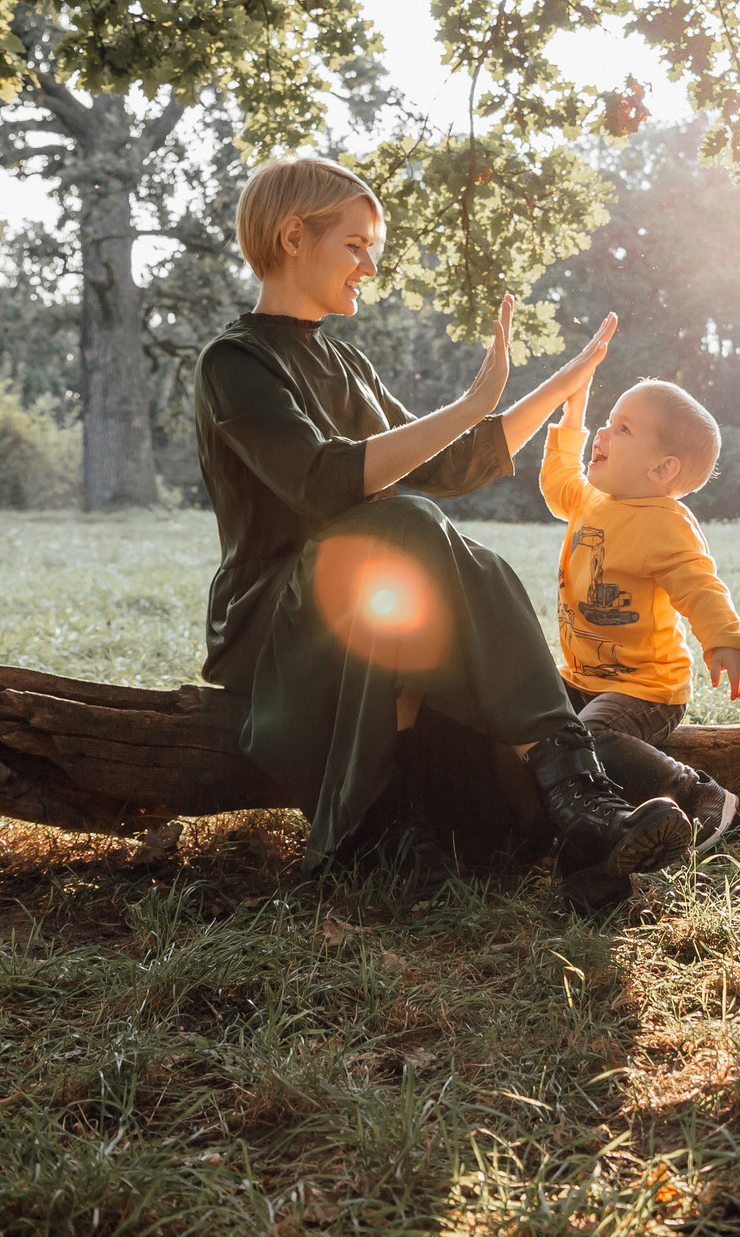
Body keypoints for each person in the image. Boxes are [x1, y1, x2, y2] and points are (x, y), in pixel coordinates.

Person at [194, 155, 692, 907]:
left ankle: (581, 807)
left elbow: (454, 460)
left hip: (367, 611)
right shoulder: (235, 362)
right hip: (274, 627)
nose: (368, 266)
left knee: (464, 554)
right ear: (294, 236)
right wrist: (462, 406)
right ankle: (397, 827)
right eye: (355, 245)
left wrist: (561, 385)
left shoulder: (346, 360)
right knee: (404, 520)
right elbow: (322, 479)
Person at [540, 375, 740, 853]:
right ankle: (579, 812)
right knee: (530, 710)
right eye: (607, 422)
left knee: (592, 736)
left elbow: (700, 585)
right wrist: (572, 415)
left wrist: (724, 639)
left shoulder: (666, 524)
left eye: (623, 429)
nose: (603, 433)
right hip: (583, 676)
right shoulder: (590, 499)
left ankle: (697, 792)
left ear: (661, 469)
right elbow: (558, 482)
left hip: (647, 688)